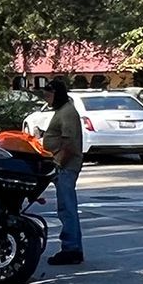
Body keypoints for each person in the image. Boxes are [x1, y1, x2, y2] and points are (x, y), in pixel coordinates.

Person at [40, 79, 85, 265]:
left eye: (49, 95)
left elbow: (69, 142)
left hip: (65, 167)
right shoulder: (62, 110)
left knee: (67, 208)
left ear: (57, 94)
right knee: (65, 207)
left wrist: (59, 162)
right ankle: (73, 247)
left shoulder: (67, 112)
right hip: (61, 165)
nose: (47, 99)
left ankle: (71, 248)